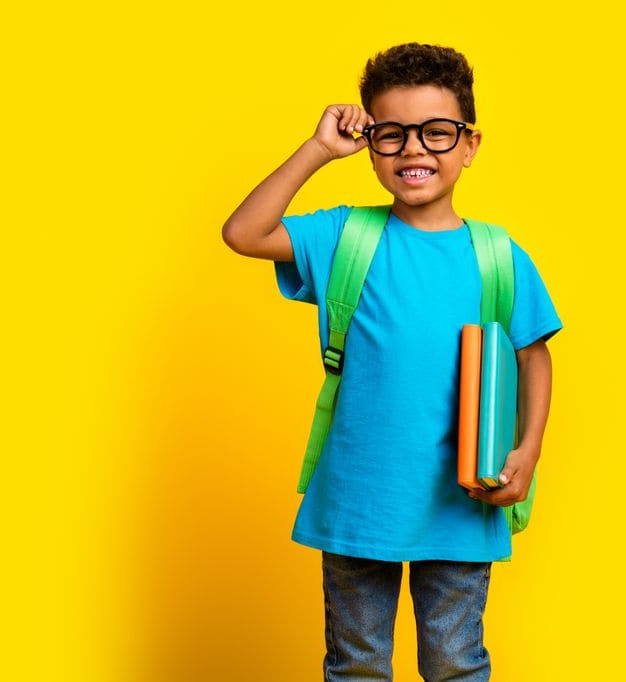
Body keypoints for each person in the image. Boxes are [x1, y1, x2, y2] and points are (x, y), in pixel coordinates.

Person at [222, 42, 563, 681]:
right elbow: (244, 233)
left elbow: (533, 354)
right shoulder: (345, 235)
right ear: (370, 143)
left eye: (436, 132)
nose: (415, 150)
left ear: (469, 144)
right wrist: (319, 148)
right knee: (355, 665)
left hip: (463, 499)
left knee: (456, 663)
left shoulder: (498, 254)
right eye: (392, 134)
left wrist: (530, 449)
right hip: (358, 499)